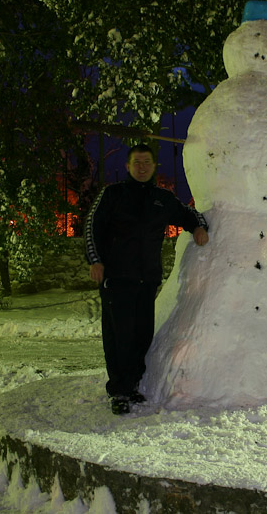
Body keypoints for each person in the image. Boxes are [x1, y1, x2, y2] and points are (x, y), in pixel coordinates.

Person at [85, 144, 209, 415]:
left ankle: (132, 386)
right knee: (119, 337)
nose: (141, 167)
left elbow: (188, 215)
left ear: (154, 166)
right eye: (136, 162)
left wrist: (200, 227)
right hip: (116, 279)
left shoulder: (162, 199)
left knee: (141, 336)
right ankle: (119, 391)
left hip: (146, 280)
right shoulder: (112, 194)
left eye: (146, 162)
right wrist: (95, 260)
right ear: (128, 166)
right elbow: (92, 227)